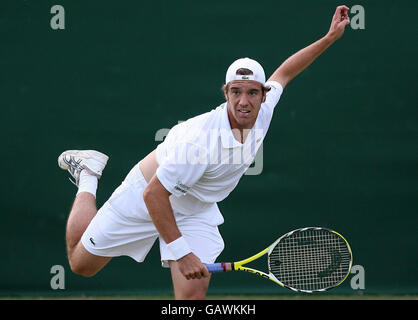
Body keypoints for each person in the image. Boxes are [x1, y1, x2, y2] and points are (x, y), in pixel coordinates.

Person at [58, 6, 350, 299]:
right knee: (82, 265)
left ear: (264, 94)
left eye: (252, 92)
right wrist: (182, 253)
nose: (244, 101)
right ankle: (87, 174)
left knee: (192, 297)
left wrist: (329, 37)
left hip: (196, 207)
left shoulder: (265, 110)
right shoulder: (199, 143)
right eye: (236, 92)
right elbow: (153, 195)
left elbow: (286, 71)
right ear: (225, 93)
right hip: (145, 195)